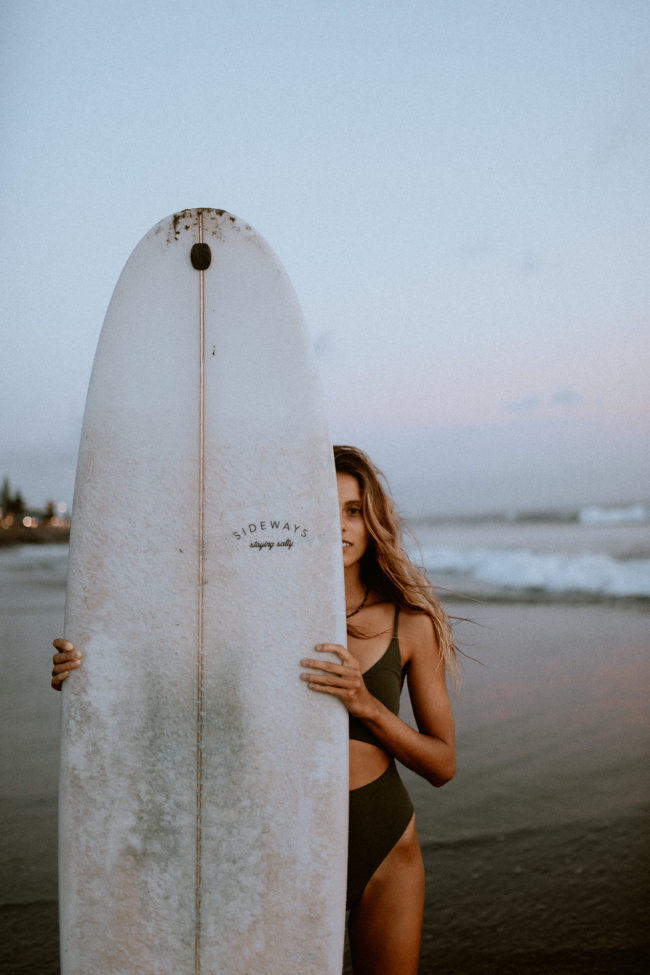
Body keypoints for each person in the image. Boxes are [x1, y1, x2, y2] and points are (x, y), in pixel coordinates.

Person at [52, 444, 457, 975]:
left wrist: (369, 707)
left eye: (353, 510)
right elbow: (169, 685)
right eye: (323, 508)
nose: (338, 525)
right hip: (282, 842)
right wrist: (87, 677)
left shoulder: (410, 623)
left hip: (386, 847)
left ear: (372, 519)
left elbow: (443, 764)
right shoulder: (251, 616)